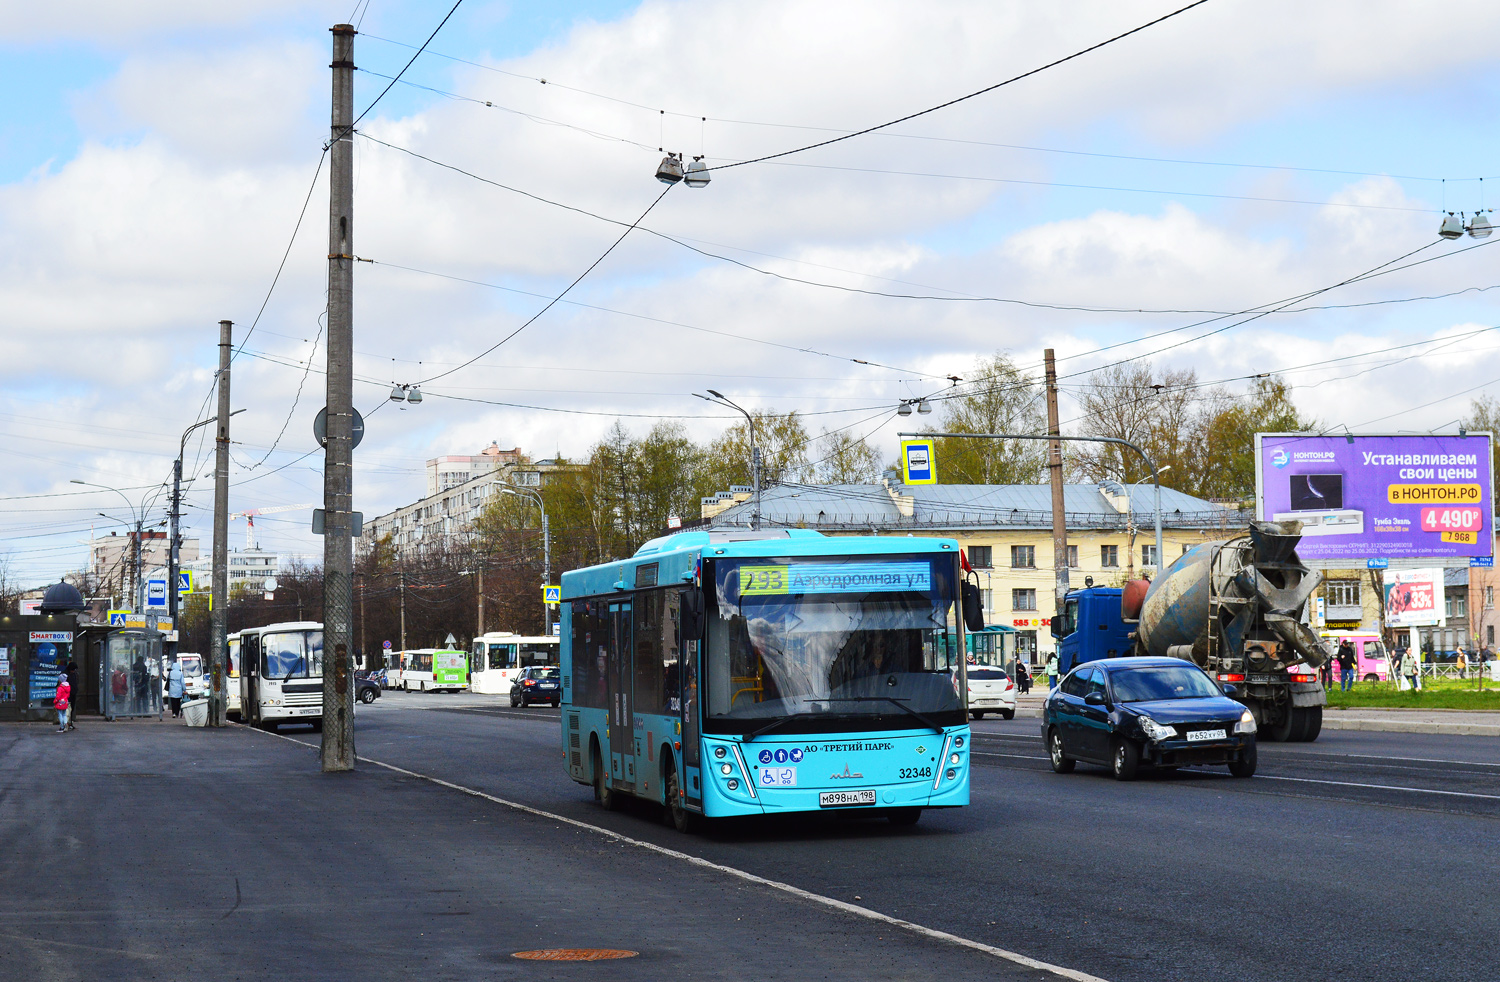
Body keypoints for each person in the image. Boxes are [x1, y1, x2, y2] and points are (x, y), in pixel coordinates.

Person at [64, 660, 79, 730]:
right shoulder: (65, 674)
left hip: (73, 693)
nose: (74, 671)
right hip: (67, 694)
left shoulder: (74, 674)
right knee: (67, 709)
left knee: (71, 709)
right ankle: (66, 723)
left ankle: (70, 723)